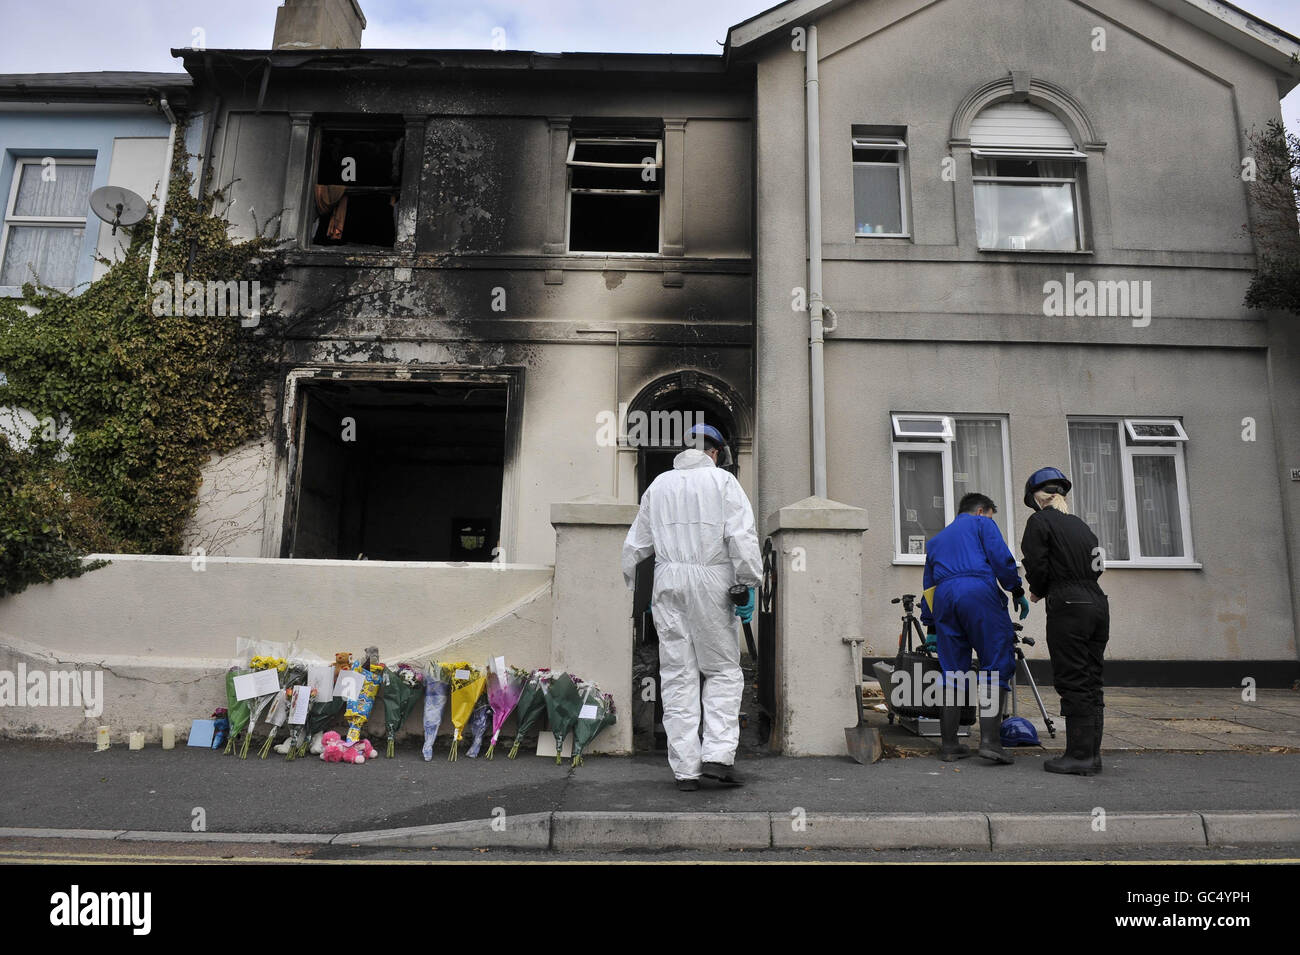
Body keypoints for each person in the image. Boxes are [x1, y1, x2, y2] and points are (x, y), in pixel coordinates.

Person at [621, 423, 762, 791]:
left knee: (677, 675)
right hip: (712, 581)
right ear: (715, 452)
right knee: (722, 672)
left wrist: (639, 595)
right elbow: (741, 536)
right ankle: (717, 757)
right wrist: (747, 584)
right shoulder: (723, 483)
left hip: (668, 583)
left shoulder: (659, 485)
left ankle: (686, 770)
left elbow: (636, 547)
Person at [921, 492, 1029, 764]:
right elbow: (1000, 557)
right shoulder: (982, 524)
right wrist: (1016, 589)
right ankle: (991, 742)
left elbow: (929, 584)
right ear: (982, 511)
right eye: (992, 515)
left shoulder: (937, 541)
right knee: (995, 662)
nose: (991, 519)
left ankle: (949, 746)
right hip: (977, 592)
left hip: (944, 598)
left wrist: (931, 625)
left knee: (952, 670)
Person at [1020, 466, 1109, 775]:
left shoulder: (1039, 521)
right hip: (1097, 602)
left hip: (1068, 604)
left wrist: (1038, 590)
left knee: (1072, 678)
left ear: (1036, 499)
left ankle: (1078, 756)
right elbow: (1098, 565)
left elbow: (1035, 563)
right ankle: (1091, 755)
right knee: (1092, 678)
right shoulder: (1082, 526)